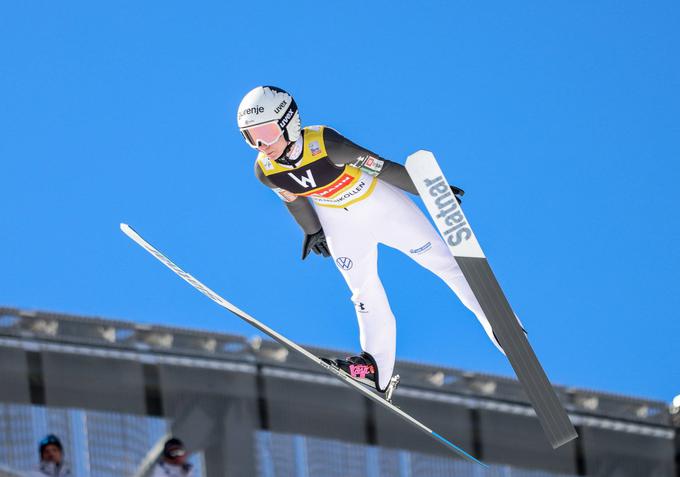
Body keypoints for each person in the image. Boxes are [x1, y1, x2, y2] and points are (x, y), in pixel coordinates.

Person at [237, 86, 510, 397]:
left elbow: (381, 167)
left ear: (289, 122)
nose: (261, 144)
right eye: (250, 137)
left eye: (267, 133)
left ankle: (499, 324)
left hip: (378, 205)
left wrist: (429, 191)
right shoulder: (266, 170)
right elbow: (294, 199)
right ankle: (375, 370)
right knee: (362, 290)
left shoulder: (325, 144)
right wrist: (312, 230)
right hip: (340, 223)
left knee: (444, 264)